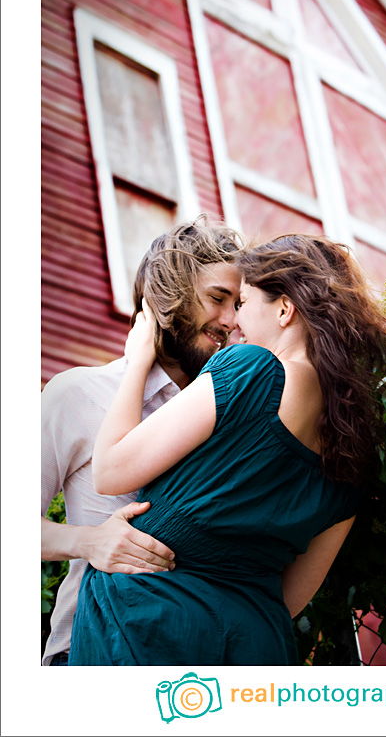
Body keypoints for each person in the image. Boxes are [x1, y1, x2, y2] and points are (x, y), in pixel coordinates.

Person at [68, 234, 386, 666]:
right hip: (254, 646)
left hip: (147, 628)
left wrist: (138, 359)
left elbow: (109, 471)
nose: (234, 322)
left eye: (242, 302)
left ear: (284, 308)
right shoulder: (358, 451)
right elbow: (290, 597)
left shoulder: (250, 371)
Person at [41, 216, 243, 665]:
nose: (231, 321)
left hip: (197, 658)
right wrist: (89, 542)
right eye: (217, 299)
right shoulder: (77, 394)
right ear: (170, 297)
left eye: (240, 305)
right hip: (88, 653)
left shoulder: (227, 414)